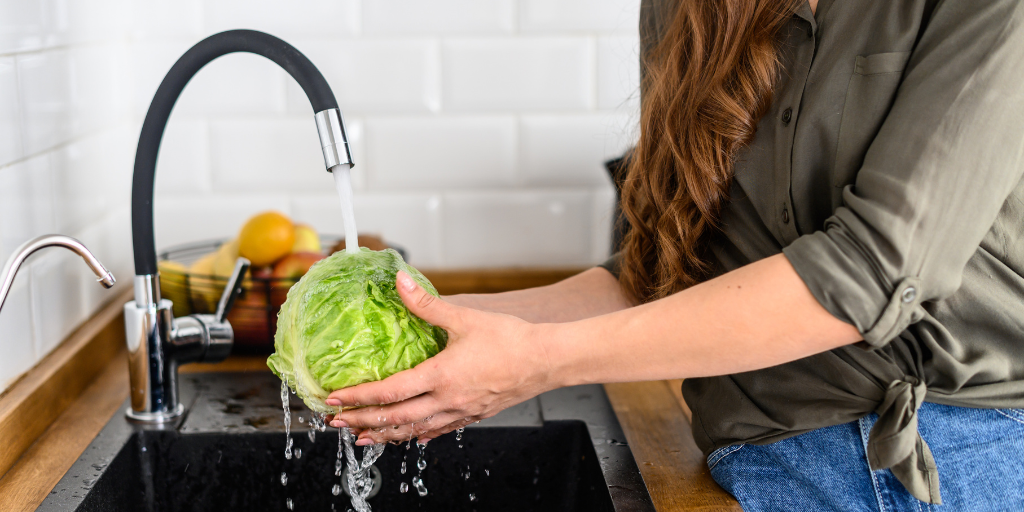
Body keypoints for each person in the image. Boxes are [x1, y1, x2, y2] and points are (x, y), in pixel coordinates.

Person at [326, 0, 1024, 509]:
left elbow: (870, 269)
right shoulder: (686, 11)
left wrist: (535, 362)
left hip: (956, 456)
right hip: (756, 467)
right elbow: (664, 268)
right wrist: (424, 323)